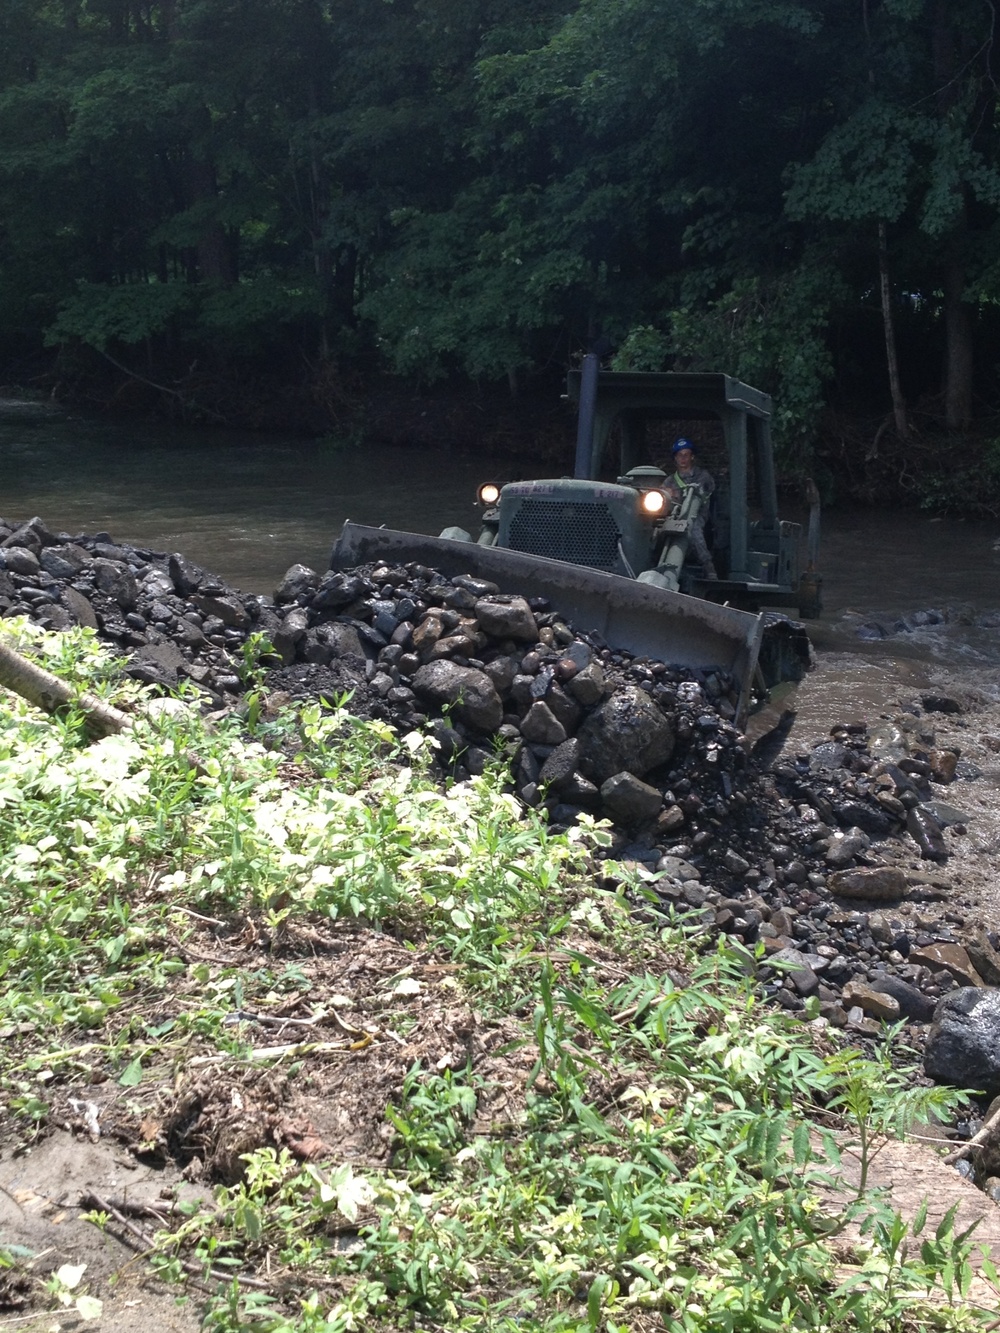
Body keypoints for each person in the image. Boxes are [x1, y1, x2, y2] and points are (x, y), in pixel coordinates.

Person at [666, 438, 718, 579]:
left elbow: (703, 491)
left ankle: (708, 567)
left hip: (698, 515)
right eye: (679, 455)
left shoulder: (703, 476)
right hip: (674, 516)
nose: (683, 459)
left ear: (692, 456)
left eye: (686, 455)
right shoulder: (670, 480)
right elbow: (664, 495)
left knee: (692, 528)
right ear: (675, 459)